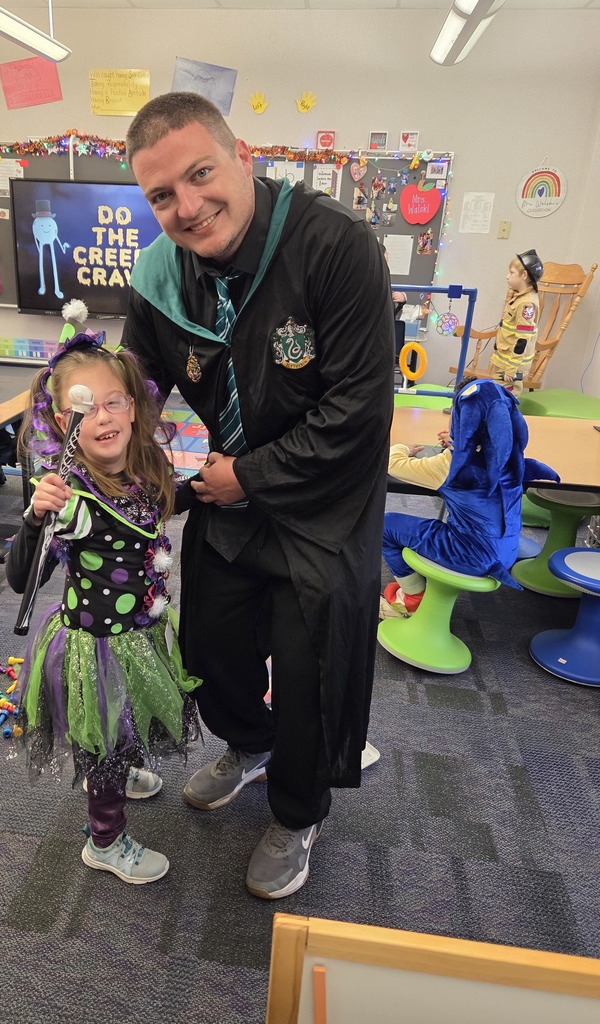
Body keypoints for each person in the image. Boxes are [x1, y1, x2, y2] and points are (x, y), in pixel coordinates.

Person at [121, 92, 394, 899]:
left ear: (243, 158)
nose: (187, 206)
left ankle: (298, 811)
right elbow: (138, 392)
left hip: (326, 503)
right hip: (231, 495)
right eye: (162, 195)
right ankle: (254, 742)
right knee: (208, 651)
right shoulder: (161, 275)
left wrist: (246, 475)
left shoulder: (334, 245)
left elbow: (359, 413)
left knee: (311, 673)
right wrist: (91, 446)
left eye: (201, 174)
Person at [6, 332, 201, 885]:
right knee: (104, 741)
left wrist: (203, 488)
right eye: (86, 407)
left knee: (127, 715)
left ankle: (122, 766)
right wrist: (36, 518)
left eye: (114, 401)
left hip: (138, 631)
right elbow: (21, 577)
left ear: (133, 408)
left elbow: (152, 508)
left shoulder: (139, 468)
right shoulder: (70, 499)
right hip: (97, 646)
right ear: (65, 423)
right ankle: (106, 841)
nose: (104, 416)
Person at [380, 378, 559, 618]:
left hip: (472, 556)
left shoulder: (450, 465)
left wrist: (404, 448)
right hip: (508, 551)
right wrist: (464, 443)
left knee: (385, 525)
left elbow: (392, 463)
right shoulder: (510, 458)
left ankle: (413, 599)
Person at [488, 249, 542, 397]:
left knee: (505, 397)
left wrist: (511, 369)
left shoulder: (526, 303)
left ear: (524, 275)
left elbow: (522, 339)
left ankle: (506, 412)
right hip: (504, 359)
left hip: (511, 365)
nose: (507, 276)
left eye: (512, 273)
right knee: (496, 393)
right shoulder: (520, 297)